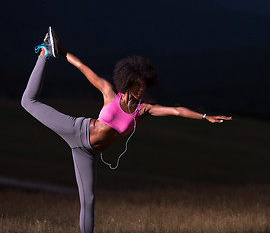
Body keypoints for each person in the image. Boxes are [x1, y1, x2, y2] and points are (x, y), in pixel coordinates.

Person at [21, 27, 232, 233]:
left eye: (144, 86)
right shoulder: (109, 93)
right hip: (77, 129)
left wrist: (205, 117)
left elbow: (176, 111)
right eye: (137, 85)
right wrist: (62, 50)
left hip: (87, 153)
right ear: (128, 81)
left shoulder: (142, 111)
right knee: (28, 102)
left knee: (89, 200)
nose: (141, 90)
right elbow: (83, 67)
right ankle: (45, 53)